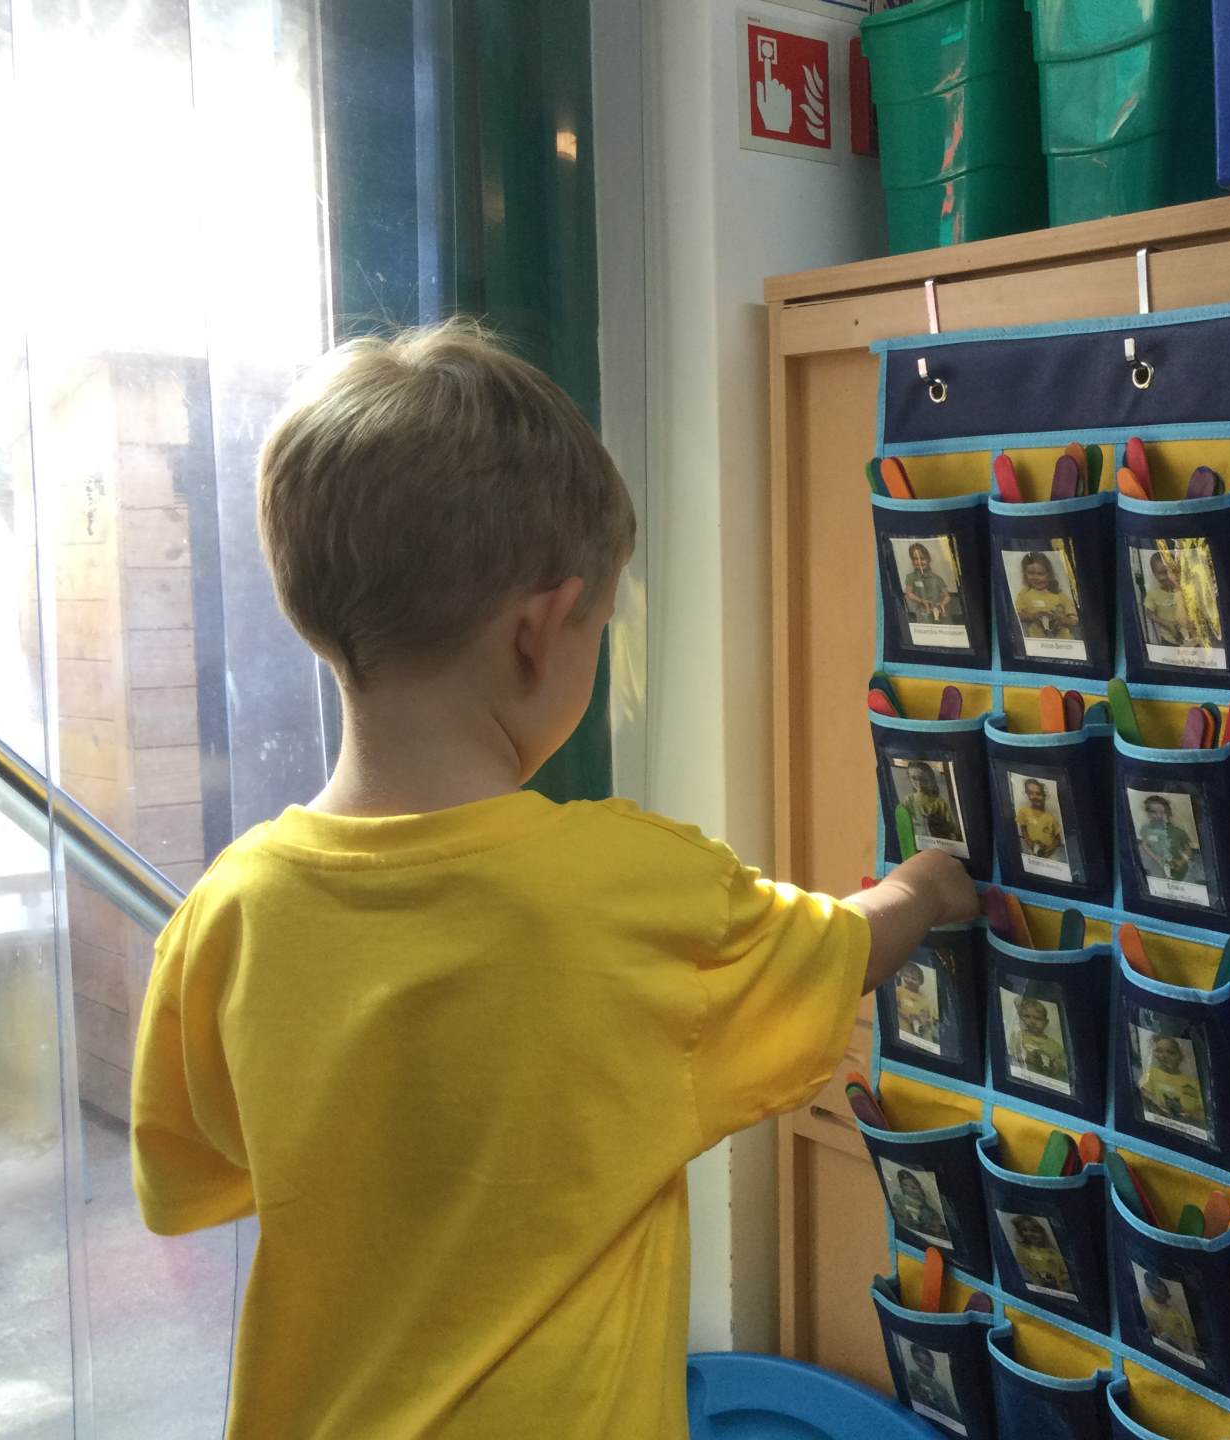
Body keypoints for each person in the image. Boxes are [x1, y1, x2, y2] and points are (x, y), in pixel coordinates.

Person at [128, 320, 980, 1438]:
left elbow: (196, 1171)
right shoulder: (631, 891)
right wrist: (929, 887)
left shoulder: (226, 912)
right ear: (538, 633)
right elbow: (844, 947)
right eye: (599, 622)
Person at [1142, 548, 1219, 650]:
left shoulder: (1186, 591)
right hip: (1169, 641)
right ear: (1155, 575)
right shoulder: (1153, 594)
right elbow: (1149, 613)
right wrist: (1167, 624)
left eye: (1172, 570)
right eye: (1162, 572)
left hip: (1193, 641)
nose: (1169, 576)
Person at [1138, 1035, 1207, 1132]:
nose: (1164, 1056)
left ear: (1180, 1056)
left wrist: (1189, 1114)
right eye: (1159, 1051)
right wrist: (1157, 1102)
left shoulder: (1193, 1083)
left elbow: (1205, 1114)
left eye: (1171, 1052)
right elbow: (1142, 1091)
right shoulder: (1151, 1074)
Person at [1014, 550, 1079, 640]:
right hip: (1037, 642)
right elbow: (1017, 615)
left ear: (1049, 575)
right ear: (1025, 574)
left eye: (1040, 574)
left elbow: (1074, 620)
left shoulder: (1060, 595)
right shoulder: (1024, 593)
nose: (1035, 578)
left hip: (1064, 642)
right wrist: (1033, 616)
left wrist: (1061, 620)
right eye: (1031, 573)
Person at [1136, 794, 1197, 884]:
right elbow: (1144, 844)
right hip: (1157, 867)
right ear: (1148, 814)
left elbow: (1188, 850)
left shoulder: (1178, 832)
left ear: (1168, 813)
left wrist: (1181, 862)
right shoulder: (1146, 828)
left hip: (1177, 867)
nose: (1158, 816)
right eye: (1153, 812)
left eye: (1162, 812)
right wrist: (1157, 859)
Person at [1138, 1271, 1199, 1360]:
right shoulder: (1147, 1302)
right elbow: (1149, 1324)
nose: (1159, 1294)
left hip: (1180, 1352)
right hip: (1158, 1347)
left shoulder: (1176, 1313)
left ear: (1167, 1293)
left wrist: (1188, 1354)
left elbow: (1189, 1340)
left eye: (1163, 1293)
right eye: (1154, 1290)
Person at [1011, 995, 1069, 1084]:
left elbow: (1065, 1070)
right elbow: (1011, 1057)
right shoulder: (1017, 1036)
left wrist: (1057, 1067)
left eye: (1037, 1018)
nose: (1032, 1021)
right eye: (1027, 1016)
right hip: (1021, 1078)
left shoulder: (1055, 1046)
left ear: (1046, 1023)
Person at [1008, 1215, 1072, 1293]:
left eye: (1034, 1231)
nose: (1029, 1234)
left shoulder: (1053, 1253)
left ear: (1042, 1233)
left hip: (1056, 1289)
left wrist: (1058, 1279)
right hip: (1036, 1288)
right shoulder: (1022, 1249)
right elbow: (1021, 1268)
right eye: (1025, 1230)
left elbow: (1066, 1273)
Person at [905, 762, 961, 843]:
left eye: (922, 778)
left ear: (930, 779)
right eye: (914, 778)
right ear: (909, 778)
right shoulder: (909, 800)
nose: (919, 782)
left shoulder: (939, 802)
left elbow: (951, 827)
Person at [887, 1167, 949, 1240]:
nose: (909, 1190)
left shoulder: (930, 1212)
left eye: (913, 1187)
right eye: (905, 1185)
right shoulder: (898, 1202)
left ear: (919, 1189)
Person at [902, 542, 953, 626]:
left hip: (938, 612)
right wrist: (922, 601)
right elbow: (909, 593)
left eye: (922, 558)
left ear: (928, 559)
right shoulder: (911, 577)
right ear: (912, 561)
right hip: (922, 614)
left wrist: (942, 604)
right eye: (915, 559)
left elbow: (947, 596)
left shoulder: (937, 578)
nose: (919, 562)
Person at [904, 1346, 959, 1420]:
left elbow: (952, 1411)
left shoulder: (940, 1385)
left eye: (929, 1361)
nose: (929, 1365)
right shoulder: (913, 1375)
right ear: (916, 1362)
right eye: (920, 1361)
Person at [1016, 778, 1064, 860]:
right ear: (1027, 794)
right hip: (1031, 851)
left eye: (1039, 794)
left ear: (1044, 796)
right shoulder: (1023, 812)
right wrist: (1030, 843)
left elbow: (1058, 840)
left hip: (1049, 854)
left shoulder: (1051, 817)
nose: (1035, 796)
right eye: (1030, 793)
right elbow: (1023, 829)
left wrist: (1049, 849)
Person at [894, 960, 940, 1045]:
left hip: (921, 1038)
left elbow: (930, 1020)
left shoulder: (926, 1000)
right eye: (906, 976)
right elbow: (893, 1007)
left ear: (920, 982)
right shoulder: (899, 990)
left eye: (914, 978)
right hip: (903, 1033)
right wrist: (908, 1016)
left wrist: (924, 1021)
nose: (909, 980)